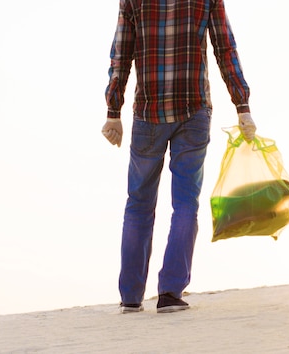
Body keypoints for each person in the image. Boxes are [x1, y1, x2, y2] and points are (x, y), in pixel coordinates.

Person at [102, 0, 256, 314]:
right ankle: (170, 293)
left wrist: (113, 111)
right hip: (194, 110)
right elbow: (225, 49)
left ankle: (131, 297)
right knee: (185, 203)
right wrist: (243, 107)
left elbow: (121, 53)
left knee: (138, 204)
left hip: (148, 113)